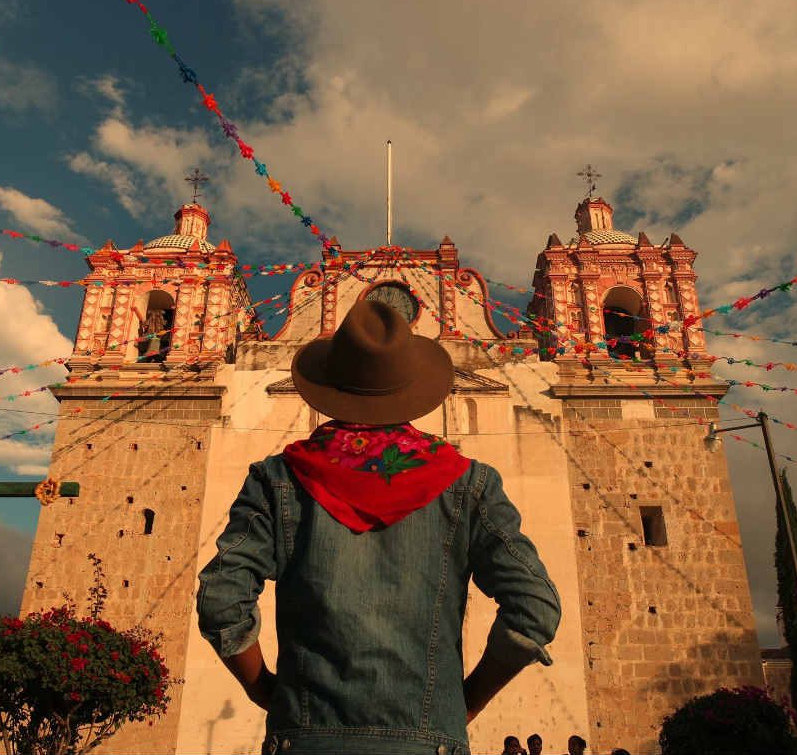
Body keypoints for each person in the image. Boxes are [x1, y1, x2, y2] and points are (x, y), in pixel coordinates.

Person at [197, 300, 562, 754]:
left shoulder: (277, 478)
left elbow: (221, 598)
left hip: (304, 737)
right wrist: (464, 703)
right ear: (410, 388)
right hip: (432, 740)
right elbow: (535, 609)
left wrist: (263, 689)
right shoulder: (470, 484)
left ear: (328, 386)